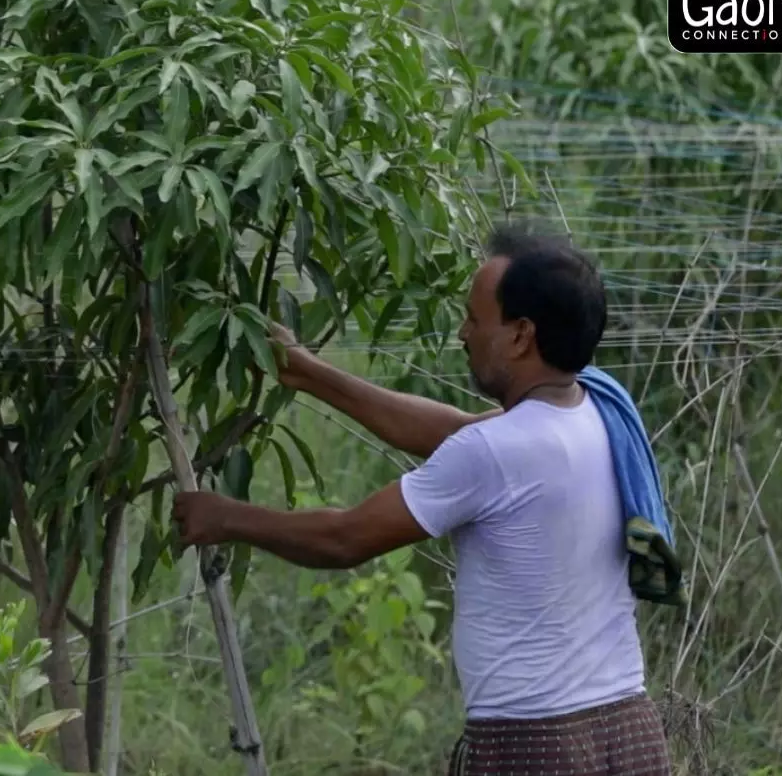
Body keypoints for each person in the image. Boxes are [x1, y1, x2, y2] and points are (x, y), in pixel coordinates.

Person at [171, 225, 674, 775]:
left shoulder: (496, 452)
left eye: (475, 319)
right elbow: (457, 431)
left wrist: (226, 516)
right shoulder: (599, 406)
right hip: (629, 732)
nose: (462, 333)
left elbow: (344, 540)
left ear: (520, 335)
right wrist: (305, 371)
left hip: (536, 744)